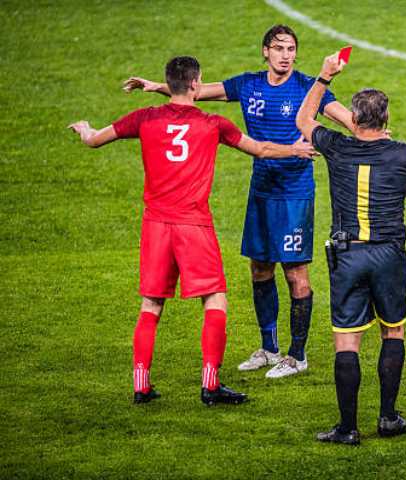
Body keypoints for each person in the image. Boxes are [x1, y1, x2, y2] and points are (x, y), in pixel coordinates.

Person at [69, 56, 316, 405]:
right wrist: (294, 149)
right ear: (197, 84)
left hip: (155, 225)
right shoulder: (212, 124)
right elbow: (259, 149)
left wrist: (84, 130)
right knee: (215, 299)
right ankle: (210, 385)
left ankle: (141, 385)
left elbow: (95, 140)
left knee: (151, 303)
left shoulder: (143, 118)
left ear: (169, 82)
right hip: (193, 225)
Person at [123, 25, 355, 379]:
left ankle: (297, 355)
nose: (285, 55)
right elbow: (198, 92)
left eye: (291, 49)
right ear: (265, 51)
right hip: (260, 190)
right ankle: (268, 347)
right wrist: (157, 87)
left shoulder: (309, 87)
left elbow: (345, 117)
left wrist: (371, 130)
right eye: (278, 48)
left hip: (295, 193)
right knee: (260, 268)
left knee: (296, 275)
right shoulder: (248, 85)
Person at [296, 52, 406, 445]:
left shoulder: (336, 147)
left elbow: (303, 121)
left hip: (348, 256)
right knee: (394, 332)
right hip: (389, 254)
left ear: (354, 120)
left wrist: (323, 78)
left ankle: (347, 428)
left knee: (347, 340)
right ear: (385, 119)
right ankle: (388, 418)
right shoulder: (402, 152)